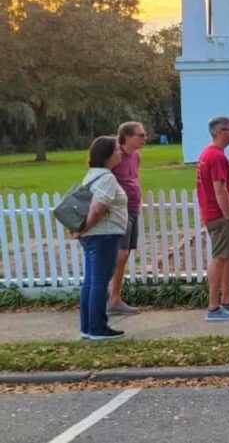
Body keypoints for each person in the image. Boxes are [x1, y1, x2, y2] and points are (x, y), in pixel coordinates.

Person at [72, 136, 129, 340]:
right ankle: (98, 328)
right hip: (103, 235)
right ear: (107, 155)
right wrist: (83, 228)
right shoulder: (106, 178)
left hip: (93, 236)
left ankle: (87, 327)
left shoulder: (92, 175)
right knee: (99, 281)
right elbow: (98, 208)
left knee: (90, 281)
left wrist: (82, 230)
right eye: (116, 150)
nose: (120, 153)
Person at [197, 116, 229, 322]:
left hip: (215, 214)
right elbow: (219, 189)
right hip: (219, 215)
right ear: (219, 132)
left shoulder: (208, 154)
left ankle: (227, 299)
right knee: (220, 257)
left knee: (228, 256)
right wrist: (228, 216)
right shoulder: (215, 156)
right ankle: (213, 306)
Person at [107, 121, 147, 316]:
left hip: (133, 209)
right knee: (120, 254)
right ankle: (110, 298)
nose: (144, 138)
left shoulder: (136, 156)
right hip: (119, 211)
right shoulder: (115, 156)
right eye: (140, 135)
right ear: (127, 137)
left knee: (125, 255)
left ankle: (115, 298)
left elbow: (134, 178)